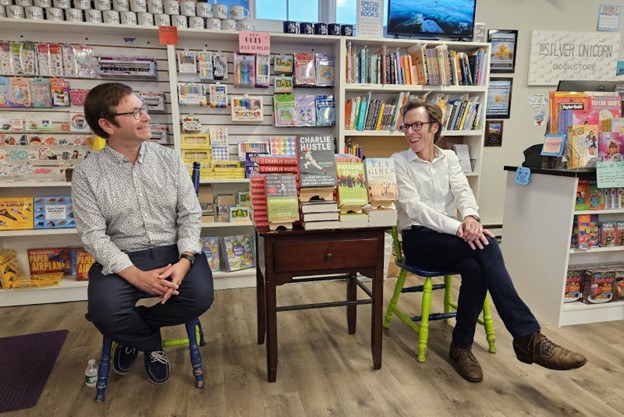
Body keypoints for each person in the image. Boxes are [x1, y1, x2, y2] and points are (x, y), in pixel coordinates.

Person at [392, 99, 587, 383]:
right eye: (406, 126)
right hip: (419, 240)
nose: (410, 132)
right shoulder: (398, 162)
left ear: (434, 127)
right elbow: (414, 209)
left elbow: (462, 190)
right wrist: (460, 227)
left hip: (452, 235)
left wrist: (471, 216)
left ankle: (462, 346)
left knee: (475, 267)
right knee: (488, 244)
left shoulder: (449, 159)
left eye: (417, 125)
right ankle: (527, 337)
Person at [72, 82, 214, 385]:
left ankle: (134, 335)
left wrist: (186, 259)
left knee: (200, 297)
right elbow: (94, 236)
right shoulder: (87, 174)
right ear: (107, 124)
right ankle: (149, 344)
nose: (146, 117)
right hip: (122, 257)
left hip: (173, 251)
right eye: (135, 112)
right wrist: (137, 276)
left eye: (143, 109)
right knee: (105, 313)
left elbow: (190, 214)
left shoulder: (168, 159)